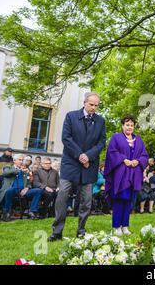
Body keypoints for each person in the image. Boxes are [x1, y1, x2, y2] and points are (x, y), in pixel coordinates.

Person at [48, 92, 107, 241]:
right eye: (91, 104)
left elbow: (101, 142)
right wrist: (81, 155)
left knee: (86, 201)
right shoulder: (71, 116)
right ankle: (57, 231)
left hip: (89, 165)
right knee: (62, 197)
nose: (93, 107)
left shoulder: (100, 121)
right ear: (84, 102)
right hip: (71, 164)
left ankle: (81, 230)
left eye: (96, 105)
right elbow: (66, 138)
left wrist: (88, 156)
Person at [103, 115, 148, 236]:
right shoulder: (116, 138)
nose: (129, 127)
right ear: (122, 126)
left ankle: (125, 226)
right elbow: (112, 153)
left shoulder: (138, 140)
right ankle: (117, 226)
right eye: (127, 125)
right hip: (120, 175)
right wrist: (123, 159)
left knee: (129, 201)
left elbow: (144, 155)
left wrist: (138, 161)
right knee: (119, 200)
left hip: (134, 175)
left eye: (132, 125)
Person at [1, 154, 43, 221]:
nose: (21, 161)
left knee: (38, 191)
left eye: (22, 160)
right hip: (12, 189)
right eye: (20, 160)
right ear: (14, 160)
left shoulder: (25, 170)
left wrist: (27, 188)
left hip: (23, 190)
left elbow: (29, 182)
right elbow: (6, 173)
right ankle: (7, 212)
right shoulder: (8, 167)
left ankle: (32, 211)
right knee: (10, 190)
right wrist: (19, 170)